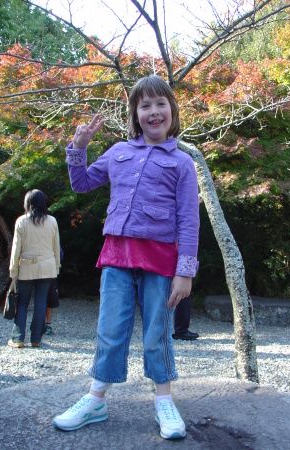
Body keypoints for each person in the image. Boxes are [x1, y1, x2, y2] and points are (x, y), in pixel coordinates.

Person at [53, 75, 199, 440]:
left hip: (162, 261)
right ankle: (96, 399)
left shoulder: (182, 163)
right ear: (135, 113)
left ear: (172, 110)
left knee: (157, 333)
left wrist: (186, 272)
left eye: (160, 104)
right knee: (110, 330)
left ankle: (164, 400)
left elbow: (189, 220)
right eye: (144, 105)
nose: (153, 112)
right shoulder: (118, 152)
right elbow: (82, 183)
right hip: (117, 255)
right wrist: (78, 147)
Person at [8, 189, 60, 349]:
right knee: (41, 302)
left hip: (27, 267)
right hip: (47, 267)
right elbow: (56, 247)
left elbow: (16, 248)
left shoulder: (21, 221)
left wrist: (13, 270)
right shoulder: (52, 221)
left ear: (27, 204)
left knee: (22, 302)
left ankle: (18, 339)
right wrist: (56, 268)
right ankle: (36, 339)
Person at [44, 246, 64, 335]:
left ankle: (45, 324)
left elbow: (60, 253)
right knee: (48, 298)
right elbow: (60, 254)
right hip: (50, 270)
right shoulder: (53, 233)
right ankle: (46, 324)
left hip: (45, 270)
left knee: (46, 298)